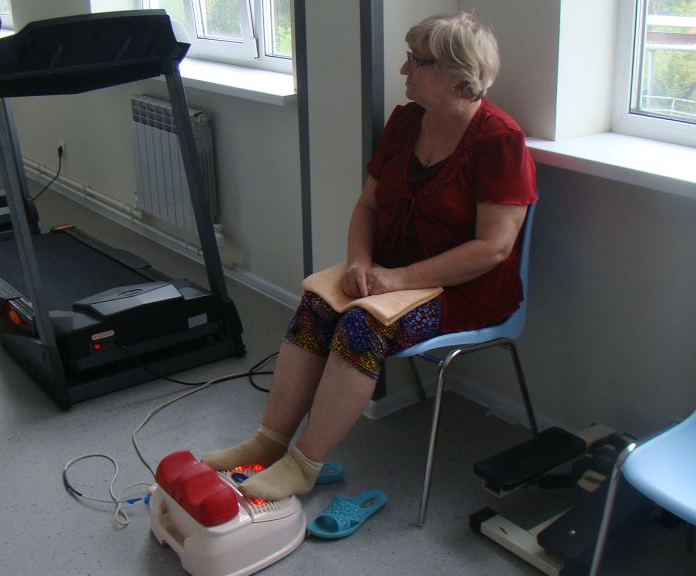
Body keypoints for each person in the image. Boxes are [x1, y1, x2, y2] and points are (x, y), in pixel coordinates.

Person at [202, 11, 537, 500]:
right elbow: (368, 206)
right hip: (390, 273)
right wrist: (358, 262)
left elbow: (495, 248)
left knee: (363, 326)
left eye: (416, 61)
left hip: (464, 290)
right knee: (317, 305)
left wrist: (399, 279)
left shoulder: (500, 140)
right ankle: (269, 441)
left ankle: (305, 463)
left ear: (456, 74)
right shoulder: (406, 123)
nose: (404, 70)